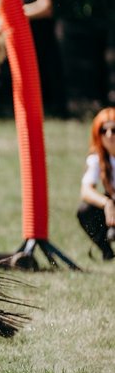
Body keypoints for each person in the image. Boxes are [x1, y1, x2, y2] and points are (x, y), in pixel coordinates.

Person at [16, 0, 66, 117]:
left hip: (46, 39)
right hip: (28, 42)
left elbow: (46, 8)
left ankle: (57, 110)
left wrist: (22, 12)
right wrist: (33, 9)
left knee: (52, 74)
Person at [77, 107, 115, 261]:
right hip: (112, 203)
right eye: (104, 130)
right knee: (85, 210)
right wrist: (107, 203)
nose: (109, 135)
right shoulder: (97, 159)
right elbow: (86, 191)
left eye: (114, 130)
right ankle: (107, 251)